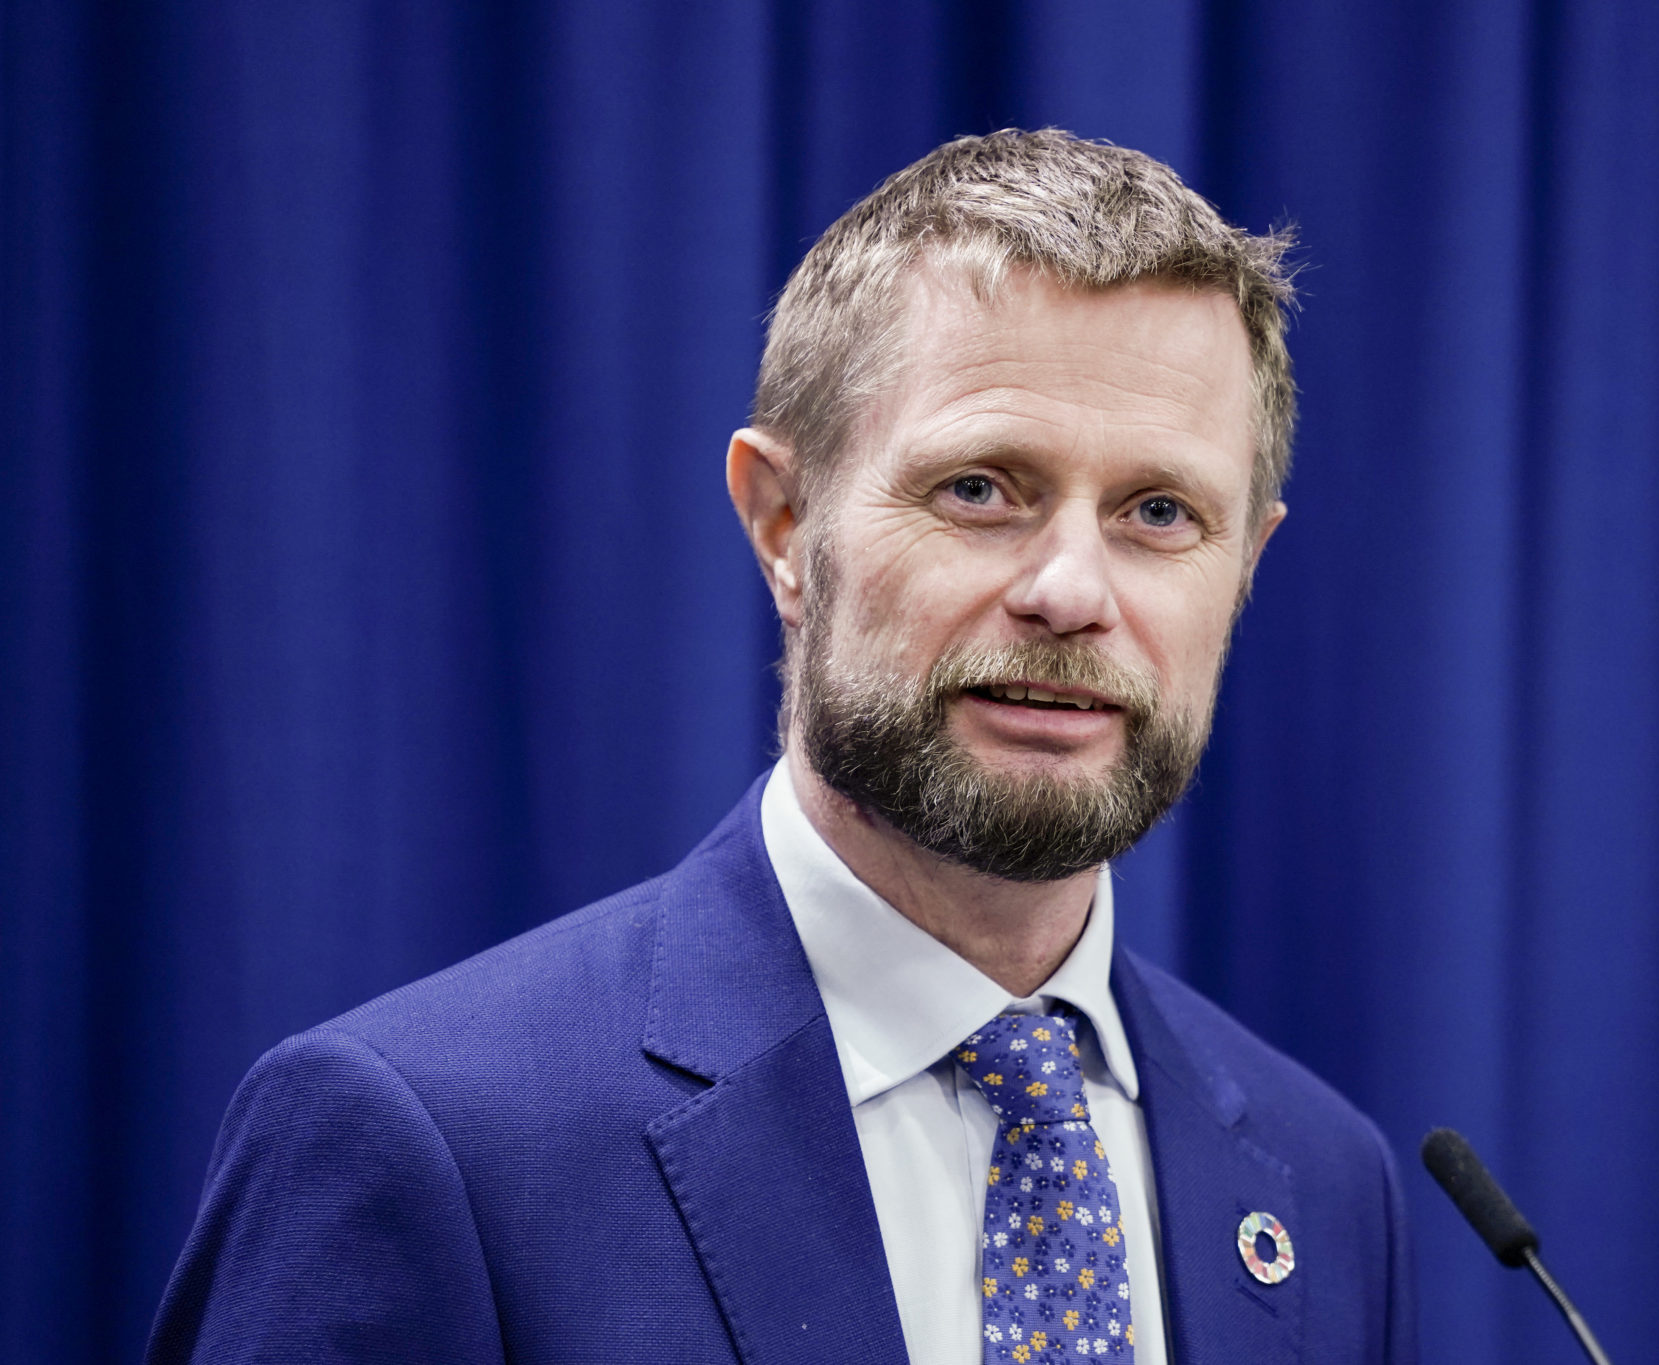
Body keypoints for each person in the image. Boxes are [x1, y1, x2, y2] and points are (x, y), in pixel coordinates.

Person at [147, 129, 1415, 1365]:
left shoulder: (1325, 1183)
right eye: (980, 489)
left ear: (1245, 565)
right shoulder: (425, 1140)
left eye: (1159, 512)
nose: (1072, 591)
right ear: (782, 525)